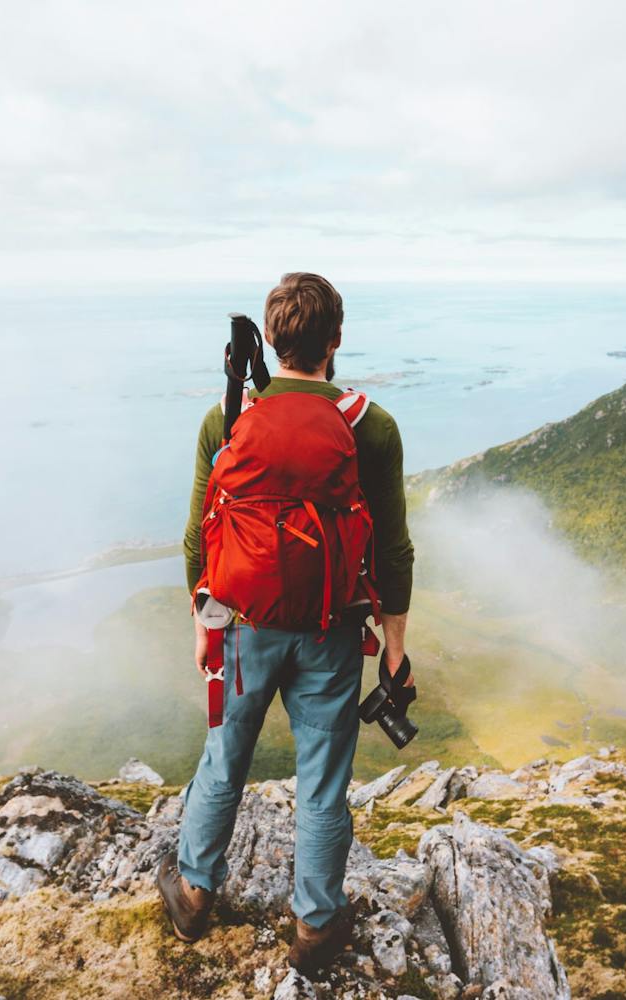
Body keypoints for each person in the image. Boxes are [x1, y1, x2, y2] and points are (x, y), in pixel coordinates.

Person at [158, 272, 415, 976]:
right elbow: (392, 547)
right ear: (336, 341)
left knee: (223, 759)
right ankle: (315, 927)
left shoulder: (228, 418)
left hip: (241, 626)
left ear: (272, 340)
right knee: (323, 781)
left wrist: (203, 621)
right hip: (332, 631)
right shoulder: (372, 426)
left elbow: (196, 539)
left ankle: (194, 895)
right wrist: (394, 648)